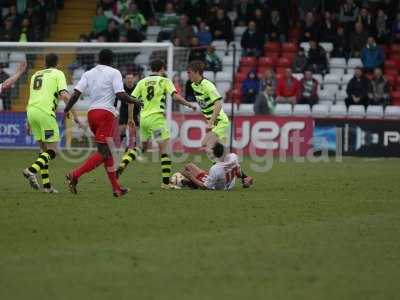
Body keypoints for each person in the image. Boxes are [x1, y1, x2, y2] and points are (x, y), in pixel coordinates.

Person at [64, 49, 138, 197]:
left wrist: (67, 108)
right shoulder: (114, 72)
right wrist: (136, 101)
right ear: (111, 60)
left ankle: (116, 189)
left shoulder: (88, 73)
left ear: (98, 59)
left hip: (92, 114)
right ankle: (74, 174)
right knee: (104, 152)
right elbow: (120, 94)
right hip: (106, 115)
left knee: (107, 153)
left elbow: (76, 93)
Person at [117, 59, 196, 189]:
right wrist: (188, 104)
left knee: (142, 148)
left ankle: (123, 164)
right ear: (162, 69)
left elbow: (130, 100)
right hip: (157, 119)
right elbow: (175, 97)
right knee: (165, 150)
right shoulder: (164, 81)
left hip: (144, 119)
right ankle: (165, 183)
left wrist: (130, 118)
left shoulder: (142, 82)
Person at [187, 60, 253, 187]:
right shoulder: (194, 85)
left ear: (197, 72)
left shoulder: (208, 85)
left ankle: (221, 177)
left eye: (189, 72)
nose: (188, 75)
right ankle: (244, 177)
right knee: (219, 152)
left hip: (220, 122)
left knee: (209, 147)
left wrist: (210, 122)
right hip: (214, 122)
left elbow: (218, 104)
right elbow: (206, 105)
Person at [22, 54, 80, 194]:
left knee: (43, 151)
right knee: (53, 151)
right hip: (45, 113)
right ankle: (31, 170)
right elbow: (65, 95)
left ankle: (47, 186)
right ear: (57, 63)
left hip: (32, 112)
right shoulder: (57, 73)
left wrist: (28, 122)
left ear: (45, 63)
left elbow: (33, 97)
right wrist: (75, 115)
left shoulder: (36, 75)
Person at [180, 143, 248, 190]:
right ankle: (192, 183)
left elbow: (205, 187)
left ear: (215, 155)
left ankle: (193, 183)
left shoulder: (215, 169)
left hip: (217, 186)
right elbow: (238, 172)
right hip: (230, 183)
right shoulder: (233, 156)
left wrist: (190, 177)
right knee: (190, 166)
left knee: (185, 170)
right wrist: (244, 178)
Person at [115, 73, 140, 150]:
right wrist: (115, 108)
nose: (129, 80)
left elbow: (140, 99)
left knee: (135, 130)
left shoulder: (137, 87)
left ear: (133, 79)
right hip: (124, 111)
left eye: (131, 78)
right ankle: (123, 146)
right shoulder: (122, 88)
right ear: (125, 80)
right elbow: (116, 99)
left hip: (134, 111)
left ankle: (135, 148)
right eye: (128, 78)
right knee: (122, 130)